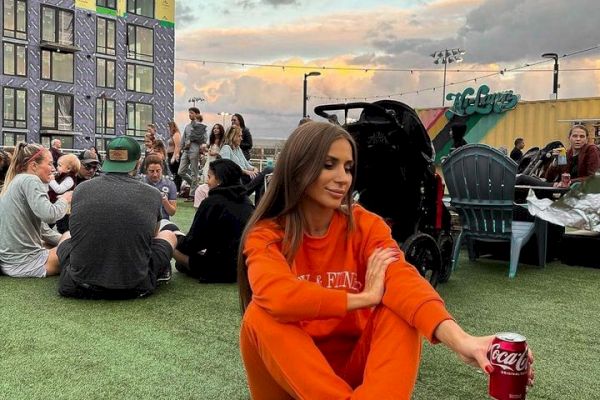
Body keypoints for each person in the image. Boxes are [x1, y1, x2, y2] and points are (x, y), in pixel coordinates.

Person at [237, 122, 534, 399]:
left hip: (355, 374)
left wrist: (462, 340)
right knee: (260, 314)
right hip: (291, 381)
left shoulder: (365, 226)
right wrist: (361, 298)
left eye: (349, 167)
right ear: (298, 168)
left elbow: (402, 279)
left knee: (401, 310)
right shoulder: (266, 235)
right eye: (329, 165)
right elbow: (278, 296)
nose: (343, 178)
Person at [57, 136, 177, 299]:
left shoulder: (81, 189)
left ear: (107, 159)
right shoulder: (153, 194)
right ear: (138, 162)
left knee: (66, 236)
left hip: (79, 284)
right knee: (169, 235)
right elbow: (153, 236)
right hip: (135, 285)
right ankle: (159, 272)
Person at [174, 159, 254, 283]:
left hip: (217, 269)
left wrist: (176, 239)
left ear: (220, 180)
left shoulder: (211, 202)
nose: (207, 181)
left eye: (210, 177)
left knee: (170, 244)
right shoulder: (247, 202)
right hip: (245, 269)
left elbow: (192, 244)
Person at [0, 143, 72, 277]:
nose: (53, 168)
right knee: (71, 237)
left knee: (67, 237)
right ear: (33, 165)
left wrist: (64, 239)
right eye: (50, 164)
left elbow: (44, 230)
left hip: (10, 262)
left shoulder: (16, 180)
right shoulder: (31, 180)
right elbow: (50, 215)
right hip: (24, 264)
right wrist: (65, 199)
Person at [516, 125, 600, 190]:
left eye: (582, 136)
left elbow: (593, 178)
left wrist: (569, 182)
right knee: (522, 184)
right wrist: (555, 161)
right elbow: (549, 178)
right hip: (559, 187)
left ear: (586, 139)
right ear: (569, 138)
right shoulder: (566, 153)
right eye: (575, 136)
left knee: (522, 178)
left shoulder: (591, 149)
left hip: (573, 190)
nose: (578, 139)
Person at [220, 125, 273, 205]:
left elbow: (247, 164)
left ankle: (257, 208)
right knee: (268, 169)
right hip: (238, 179)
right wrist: (246, 172)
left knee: (262, 181)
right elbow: (227, 166)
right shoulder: (226, 148)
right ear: (232, 136)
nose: (241, 138)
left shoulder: (238, 149)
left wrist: (254, 169)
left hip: (245, 178)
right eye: (239, 136)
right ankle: (243, 194)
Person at [178, 108, 207, 197]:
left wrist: (196, 139)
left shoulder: (201, 127)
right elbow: (183, 139)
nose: (189, 114)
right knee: (181, 172)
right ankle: (195, 186)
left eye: (191, 113)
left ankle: (192, 194)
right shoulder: (187, 126)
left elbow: (205, 139)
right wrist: (180, 149)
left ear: (197, 114)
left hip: (194, 150)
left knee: (194, 172)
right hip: (186, 151)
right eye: (189, 113)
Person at [143, 154, 177, 220]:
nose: (155, 174)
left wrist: (165, 201)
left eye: (158, 171)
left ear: (162, 169)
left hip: (163, 221)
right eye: (151, 171)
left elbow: (172, 212)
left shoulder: (170, 184)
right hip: (145, 220)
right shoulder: (140, 183)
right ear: (146, 169)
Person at [167, 120, 182, 191]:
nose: (167, 129)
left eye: (168, 127)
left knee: (176, 172)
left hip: (174, 155)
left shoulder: (176, 134)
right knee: (174, 172)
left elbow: (177, 146)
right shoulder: (172, 135)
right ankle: (175, 188)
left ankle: (177, 189)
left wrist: (174, 156)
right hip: (170, 155)